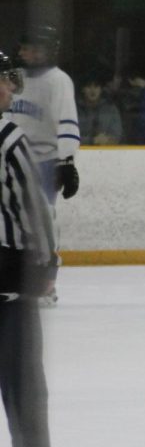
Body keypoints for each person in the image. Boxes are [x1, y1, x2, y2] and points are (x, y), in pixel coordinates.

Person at [0, 49, 61, 447]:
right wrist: (47, 260)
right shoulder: (10, 140)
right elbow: (35, 210)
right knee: (25, 393)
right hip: (9, 289)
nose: (8, 89)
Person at [11, 25, 78, 308]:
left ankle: (46, 282)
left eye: (35, 48)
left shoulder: (58, 80)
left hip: (44, 162)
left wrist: (65, 161)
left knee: (43, 222)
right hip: (12, 158)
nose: (28, 53)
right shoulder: (13, 78)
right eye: (25, 47)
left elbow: (67, 121)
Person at [76, 71, 123, 145]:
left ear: (101, 89)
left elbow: (117, 135)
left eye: (96, 87)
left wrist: (107, 140)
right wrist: (92, 140)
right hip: (80, 152)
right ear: (83, 89)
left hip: (107, 152)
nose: (93, 90)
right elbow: (71, 138)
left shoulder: (111, 109)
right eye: (89, 87)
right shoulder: (75, 110)